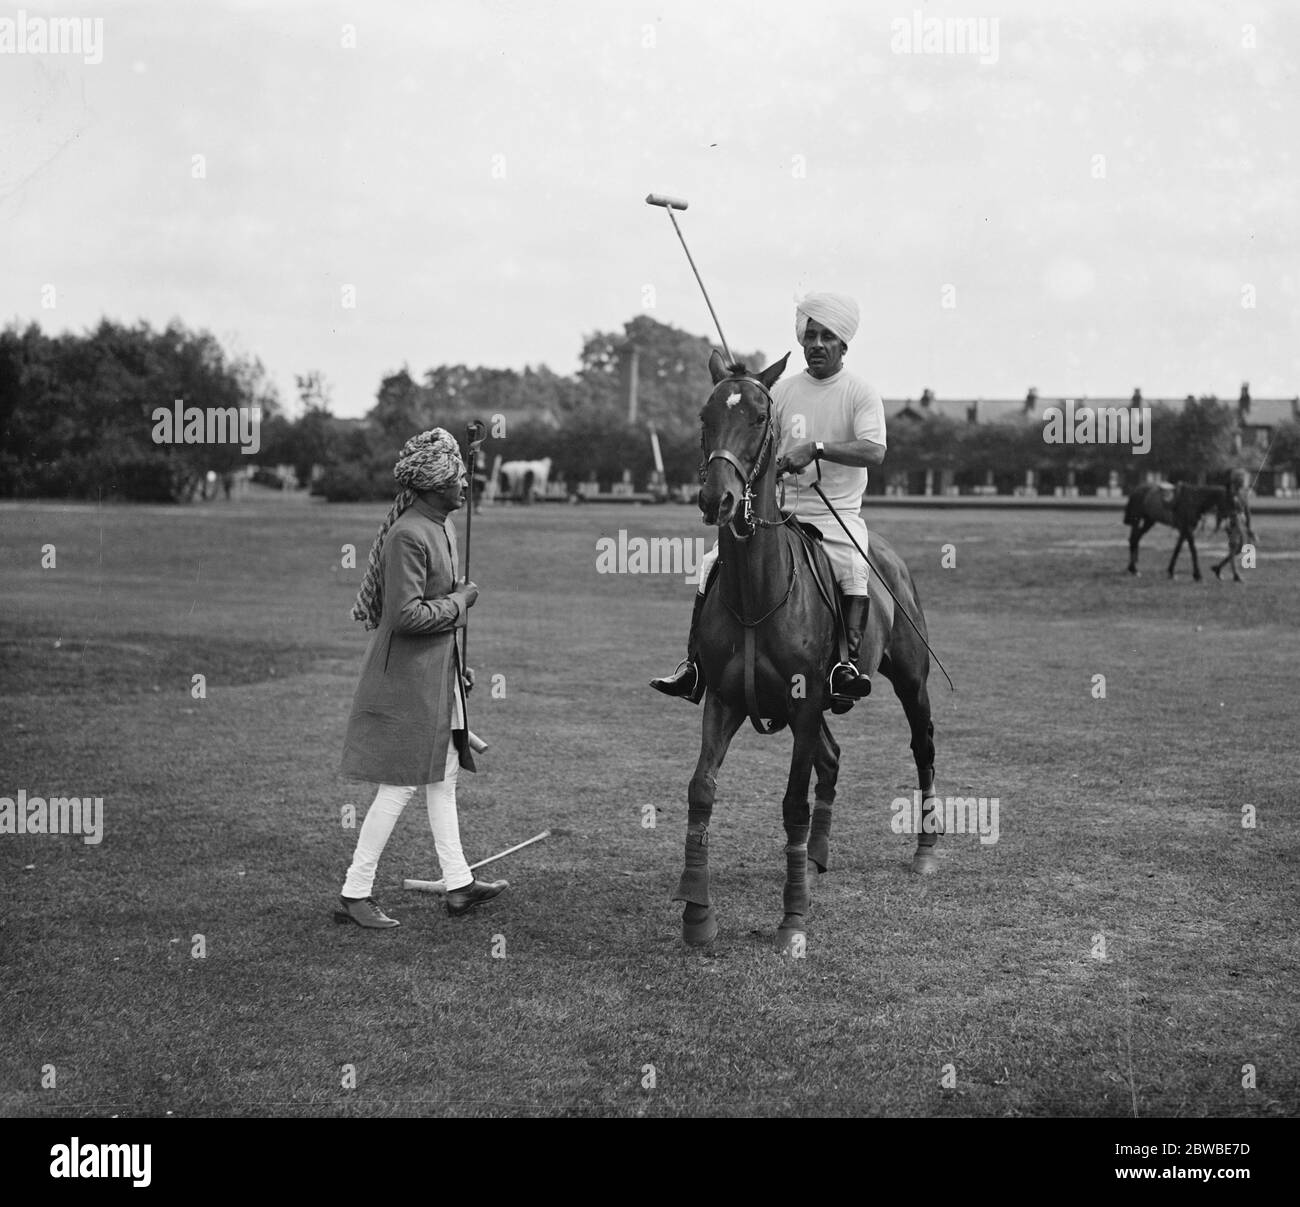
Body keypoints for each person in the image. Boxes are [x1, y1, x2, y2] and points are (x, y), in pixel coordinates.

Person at [651, 291, 886, 706]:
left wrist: (815, 448)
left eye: (826, 336)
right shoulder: (780, 392)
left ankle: (843, 667)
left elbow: (874, 451)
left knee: (852, 564)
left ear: (843, 344)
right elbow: (756, 441)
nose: (815, 344)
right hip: (779, 510)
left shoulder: (859, 393)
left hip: (836, 514)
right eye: (809, 334)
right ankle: (694, 666)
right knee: (710, 563)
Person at [334, 428, 507, 928]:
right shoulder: (408, 534)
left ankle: (459, 885)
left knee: (444, 779)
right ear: (433, 485)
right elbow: (405, 616)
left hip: (436, 676)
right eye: (458, 478)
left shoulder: (442, 526)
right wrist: (461, 602)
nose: (466, 486)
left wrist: (457, 667)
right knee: (401, 787)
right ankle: (355, 891)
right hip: (406, 681)